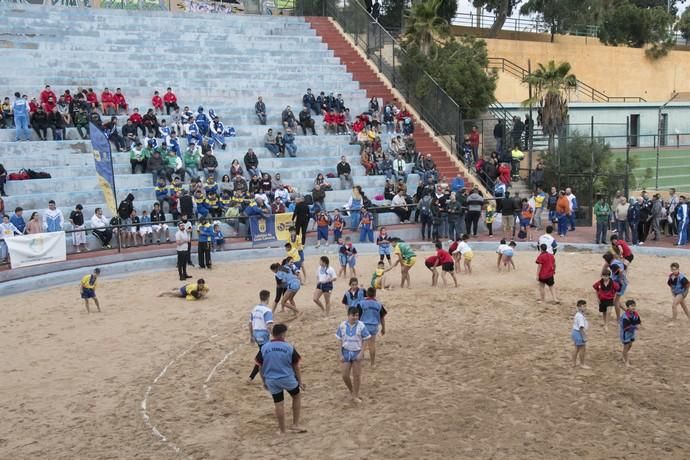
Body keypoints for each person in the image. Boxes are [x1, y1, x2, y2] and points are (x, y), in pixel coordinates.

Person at [254, 323, 305, 434]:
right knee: (296, 396)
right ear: (282, 334)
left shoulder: (264, 347)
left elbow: (260, 367)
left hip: (271, 380)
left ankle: (282, 430)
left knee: (279, 403)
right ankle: (295, 425)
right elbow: (296, 366)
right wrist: (300, 382)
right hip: (287, 379)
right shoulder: (288, 347)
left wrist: (264, 381)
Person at [336, 307, 371, 403]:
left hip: (357, 352)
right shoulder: (342, 325)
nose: (355, 317)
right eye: (353, 315)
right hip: (346, 351)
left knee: (356, 375)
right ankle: (352, 390)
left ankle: (355, 395)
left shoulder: (361, 325)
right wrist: (340, 354)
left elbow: (366, 338)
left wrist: (361, 352)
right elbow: (339, 340)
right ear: (348, 315)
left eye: (357, 315)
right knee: (344, 375)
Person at [247, 290, 274, 382]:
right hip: (263, 335)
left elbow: (250, 324)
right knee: (263, 355)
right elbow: (269, 326)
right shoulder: (267, 311)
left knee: (264, 353)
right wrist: (274, 337)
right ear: (268, 298)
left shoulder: (254, 309)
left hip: (255, 333)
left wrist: (251, 336)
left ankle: (253, 376)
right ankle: (251, 377)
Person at [358, 287, 387, 366]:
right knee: (372, 345)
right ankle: (372, 363)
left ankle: (360, 361)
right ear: (375, 295)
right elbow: (382, 318)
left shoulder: (361, 303)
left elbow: (357, 316)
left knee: (361, 344)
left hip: (363, 326)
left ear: (366, 294)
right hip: (373, 327)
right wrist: (383, 328)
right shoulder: (379, 305)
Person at [603, 253, 627, 320]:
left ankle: (619, 318)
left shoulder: (613, 265)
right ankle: (627, 311)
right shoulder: (616, 261)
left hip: (620, 284)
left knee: (615, 301)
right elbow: (625, 267)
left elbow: (619, 272)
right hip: (621, 283)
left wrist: (620, 278)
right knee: (615, 300)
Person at [620, 299, 641, 367]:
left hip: (631, 333)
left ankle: (623, 355)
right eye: (631, 306)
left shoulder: (635, 314)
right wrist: (635, 327)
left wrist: (639, 324)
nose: (633, 307)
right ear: (627, 307)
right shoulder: (625, 316)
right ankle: (626, 361)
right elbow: (626, 327)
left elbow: (638, 321)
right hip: (625, 334)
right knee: (626, 346)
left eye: (634, 306)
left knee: (630, 345)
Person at [571, 300, 589, 369]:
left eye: (585, 306)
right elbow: (581, 328)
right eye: (583, 306)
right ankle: (582, 364)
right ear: (579, 307)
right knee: (582, 349)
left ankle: (573, 363)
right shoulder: (580, 316)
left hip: (575, 332)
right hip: (579, 333)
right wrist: (584, 337)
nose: (585, 307)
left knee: (576, 348)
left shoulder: (578, 314)